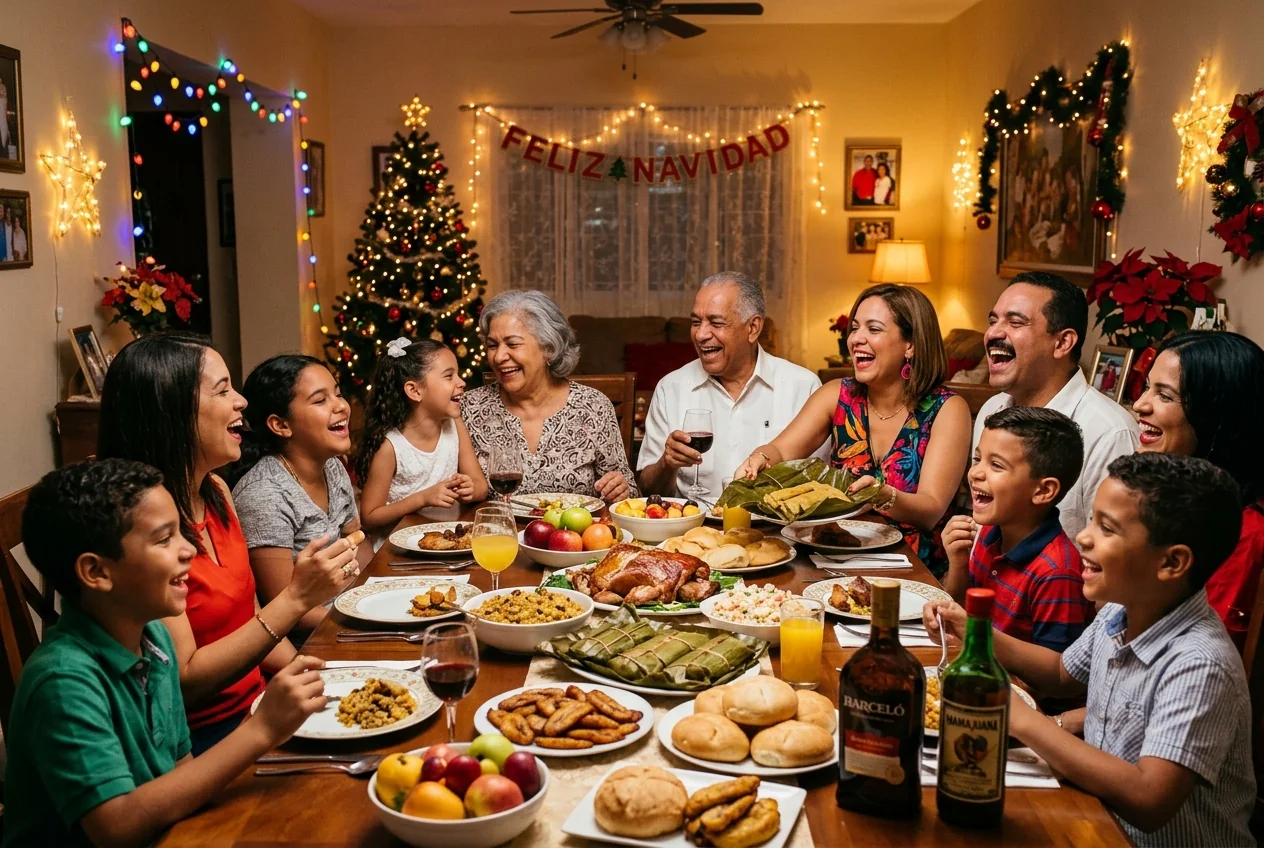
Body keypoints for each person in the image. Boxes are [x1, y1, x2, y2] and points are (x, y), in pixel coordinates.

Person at [927, 453, 1253, 846]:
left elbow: (1149, 799)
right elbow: (1063, 674)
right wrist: (972, 631)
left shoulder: (1200, 663)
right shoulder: (1120, 609)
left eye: (1107, 528)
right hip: (1093, 817)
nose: (1083, 536)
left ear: (1172, 562)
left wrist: (1023, 720)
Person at [5, 459, 328, 847]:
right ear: (97, 572)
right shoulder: (62, 681)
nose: (189, 549)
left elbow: (181, 771)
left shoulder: (155, 638)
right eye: (164, 539)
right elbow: (116, 826)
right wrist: (260, 731)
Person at [97, 331, 358, 754]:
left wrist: (318, 675)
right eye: (223, 390)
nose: (241, 402)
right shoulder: (135, 525)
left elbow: (248, 617)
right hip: (197, 741)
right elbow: (184, 682)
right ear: (173, 410)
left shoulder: (216, 490)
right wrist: (296, 598)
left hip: (260, 705)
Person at [736, 284, 971, 574]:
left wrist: (885, 496)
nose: (856, 339)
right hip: (833, 559)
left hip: (912, 569)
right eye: (855, 328)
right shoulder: (837, 395)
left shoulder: (947, 409)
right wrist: (760, 458)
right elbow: (781, 449)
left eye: (873, 329)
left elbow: (931, 509)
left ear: (910, 344)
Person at [975, 272, 1138, 541]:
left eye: (1016, 322)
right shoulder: (992, 410)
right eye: (993, 321)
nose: (992, 333)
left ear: (1062, 343)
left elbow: (1117, 550)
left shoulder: (1109, 433)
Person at [637, 272, 823, 498]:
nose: (701, 334)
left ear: (753, 328)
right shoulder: (671, 388)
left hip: (777, 527)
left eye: (716, 323)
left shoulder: (804, 387)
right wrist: (667, 464)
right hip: (694, 529)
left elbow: (819, 480)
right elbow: (647, 490)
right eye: (696, 322)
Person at [1133, 331, 1264, 652]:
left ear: (1216, 416)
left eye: (1164, 395)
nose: (1139, 405)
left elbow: (1201, 654)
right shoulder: (1174, 496)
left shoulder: (1242, 532)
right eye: (1148, 387)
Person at [228, 355, 374, 631]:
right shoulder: (264, 495)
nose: (341, 406)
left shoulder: (332, 465)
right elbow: (284, 612)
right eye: (321, 400)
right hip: (314, 637)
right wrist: (367, 622)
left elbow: (358, 542)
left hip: (352, 611)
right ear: (281, 425)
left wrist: (380, 597)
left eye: (338, 394)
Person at [941, 406, 1092, 653]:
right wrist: (958, 563)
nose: (976, 473)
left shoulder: (1057, 572)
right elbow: (962, 611)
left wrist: (976, 635)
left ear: (1043, 491)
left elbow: (1058, 675)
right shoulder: (989, 533)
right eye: (978, 459)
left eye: (997, 465)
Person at [462, 290, 636, 501]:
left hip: (575, 532)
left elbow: (631, 496)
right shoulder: (469, 408)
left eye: (512, 344)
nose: (498, 357)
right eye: (492, 345)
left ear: (548, 348)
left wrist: (620, 490)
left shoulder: (593, 407)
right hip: (499, 533)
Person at [356, 338, 487, 551]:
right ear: (415, 391)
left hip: (447, 543)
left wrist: (470, 489)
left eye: (458, 374)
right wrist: (423, 499)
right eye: (449, 376)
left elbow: (480, 486)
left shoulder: (454, 426)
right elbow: (369, 517)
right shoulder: (390, 447)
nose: (461, 382)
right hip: (398, 552)